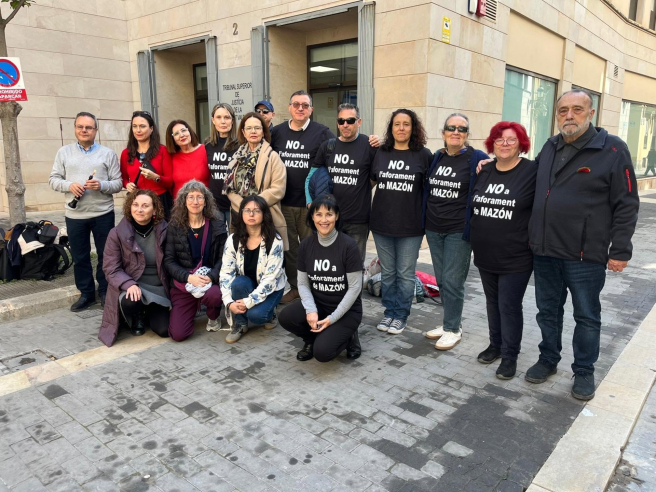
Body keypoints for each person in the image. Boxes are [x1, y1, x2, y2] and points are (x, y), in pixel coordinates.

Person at [526, 89, 639, 400]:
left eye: (577, 109)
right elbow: (530, 181)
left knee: (586, 316)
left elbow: (627, 203)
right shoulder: (550, 146)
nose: (569, 116)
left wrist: (620, 250)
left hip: (584, 256)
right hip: (545, 250)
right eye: (563, 110)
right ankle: (548, 359)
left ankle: (584, 371)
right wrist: (491, 165)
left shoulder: (612, 149)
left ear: (591, 114)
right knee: (547, 311)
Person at [470, 122, 536, 379]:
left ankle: (510, 356)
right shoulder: (485, 170)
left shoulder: (531, 171)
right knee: (492, 303)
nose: (505, 144)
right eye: (499, 139)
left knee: (509, 306)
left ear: (521, 144)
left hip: (516, 255)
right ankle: (495, 345)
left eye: (511, 139)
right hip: (485, 253)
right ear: (492, 144)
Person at [422, 113, 489, 350]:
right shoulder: (437, 157)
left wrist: (491, 165)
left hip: (458, 230)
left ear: (467, 134)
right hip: (433, 227)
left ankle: (453, 329)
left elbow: (498, 173)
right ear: (443, 133)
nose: (456, 132)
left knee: (453, 280)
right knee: (442, 279)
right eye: (451, 128)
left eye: (462, 129)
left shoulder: (477, 158)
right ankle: (448, 323)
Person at [49, 111, 122, 311]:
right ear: (75, 128)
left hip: (103, 214)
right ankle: (86, 294)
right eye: (80, 126)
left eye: (88, 127)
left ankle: (105, 291)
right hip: (75, 215)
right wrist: (69, 185)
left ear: (95, 130)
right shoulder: (63, 152)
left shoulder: (108, 154)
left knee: (106, 255)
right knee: (80, 257)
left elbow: (118, 183)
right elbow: (53, 179)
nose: (84, 130)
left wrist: (102, 185)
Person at [279, 195, 363, 361]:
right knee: (286, 317)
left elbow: (355, 288)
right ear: (312, 217)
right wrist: (311, 310)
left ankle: (350, 336)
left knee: (323, 353)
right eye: (318, 214)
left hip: (346, 310)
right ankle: (311, 340)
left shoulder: (349, 246)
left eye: (329, 214)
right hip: (319, 305)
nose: (324, 220)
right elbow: (302, 283)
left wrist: (332, 319)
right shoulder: (305, 245)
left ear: (336, 216)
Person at [371, 109, 432, 336]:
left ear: (413, 128)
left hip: (411, 226)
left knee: (405, 274)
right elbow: (370, 182)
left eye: (406, 124)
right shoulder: (381, 152)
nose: (401, 128)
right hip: (382, 224)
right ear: (391, 128)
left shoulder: (423, 155)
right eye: (397, 124)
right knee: (388, 273)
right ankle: (389, 312)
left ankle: (401, 315)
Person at [270, 90, 335, 303]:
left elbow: (341, 151)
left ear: (311, 109)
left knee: (313, 248)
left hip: (310, 205)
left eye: (305, 105)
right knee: (290, 249)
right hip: (283, 204)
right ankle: (296, 287)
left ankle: (315, 290)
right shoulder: (277, 132)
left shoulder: (322, 132)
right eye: (296, 104)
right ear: (289, 107)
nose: (300, 108)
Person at [305, 103, 377, 263]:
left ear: (359, 122)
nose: (345, 124)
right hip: (329, 218)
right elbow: (311, 176)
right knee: (329, 264)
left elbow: (375, 177)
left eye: (350, 120)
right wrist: (310, 202)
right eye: (341, 121)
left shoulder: (369, 146)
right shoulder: (327, 147)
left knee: (354, 265)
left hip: (358, 220)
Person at [99, 190, 170, 346]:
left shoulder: (165, 230)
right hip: (133, 284)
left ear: (155, 210)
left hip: (159, 287)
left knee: (164, 330)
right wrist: (128, 284)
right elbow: (111, 268)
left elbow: (172, 261)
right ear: (129, 207)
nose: (139, 209)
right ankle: (137, 314)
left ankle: (150, 309)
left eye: (145, 206)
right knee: (130, 300)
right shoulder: (116, 233)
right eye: (135, 205)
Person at [164, 180, 227, 342]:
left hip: (209, 280)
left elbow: (224, 258)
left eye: (199, 197)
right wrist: (188, 277)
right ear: (184, 201)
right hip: (185, 282)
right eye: (190, 197)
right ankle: (191, 308)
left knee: (214, 295)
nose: (195, 201)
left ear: (206, 201)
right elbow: (169, 261)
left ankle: (213, 317)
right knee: (178, 334)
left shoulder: (217, 224)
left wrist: (211, 277)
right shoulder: (174, 226)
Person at [220, 196, 286, 344]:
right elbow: (226, 273)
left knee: (256, 316)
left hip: (272, 287)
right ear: (241, 213)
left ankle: (270, 314)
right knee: (238, 283)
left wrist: (248, 302)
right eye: (247, 210)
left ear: (264, 214)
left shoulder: (274, 240)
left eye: (256, 211)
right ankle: (240, 323)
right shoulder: (233, 239)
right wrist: (229, 302)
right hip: (246, 284)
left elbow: (270, 280)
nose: (251, 214)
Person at [223, 112, 288, 249]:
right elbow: (228, 187)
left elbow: (278, 188)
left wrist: (254, 206)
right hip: (239, 215)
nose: (253, 131)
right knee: (241, 254)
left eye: (257, 128)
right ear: (243, 132)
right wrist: (243, 206)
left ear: (263, 132)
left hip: (265, 216)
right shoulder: (236, 157)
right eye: (249, 128)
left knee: (266, 255)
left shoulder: (272, 157)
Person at [121, 111, 174, 219]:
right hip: (137, 202)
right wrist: (127, 184)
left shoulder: (163, 151)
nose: (138, 130)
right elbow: (123, 178)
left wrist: (156, 177)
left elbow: (170, 182)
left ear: (151, 128)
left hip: (160, 201)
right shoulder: (126, 153)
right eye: (134, 126)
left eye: (142, 126)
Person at [206, 103, 239, 229]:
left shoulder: (241, 145)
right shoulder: (208, 145)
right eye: (219, 117)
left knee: (235, 238)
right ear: (213, 120)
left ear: (232, 120)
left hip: (235, 204)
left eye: (227, 117)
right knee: (217, 238)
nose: (223, 121)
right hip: (214, 205)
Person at [166, 119, 209, 198]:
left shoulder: (206, 150)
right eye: (176, 133)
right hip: (180, 204)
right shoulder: (171, 156)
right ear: (172, 139)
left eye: (183, 130)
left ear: (189, 132)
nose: (182, 135)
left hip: (203, 202)